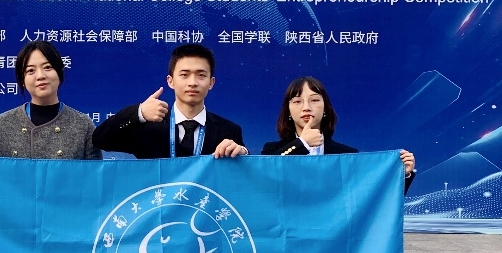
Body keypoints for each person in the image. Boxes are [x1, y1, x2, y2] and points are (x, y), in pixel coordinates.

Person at [261, 76, 416, 193]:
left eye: (314, 100)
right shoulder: (271, 150)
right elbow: (263, 178)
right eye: (297, 101)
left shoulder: (347, 155)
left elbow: (371, 200)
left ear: (325, 109)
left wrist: (403, 175)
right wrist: (302, 144)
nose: (306, 107)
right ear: (288, 111)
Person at [92, 43, 247, 158]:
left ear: (211, 83)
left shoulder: (229, 131)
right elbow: (100, 139)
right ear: (170, 81)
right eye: (184, 75)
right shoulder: (148, 126)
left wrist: (242, 155)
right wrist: (138, 112)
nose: (192, 82)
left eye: (201, 75)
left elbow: (242, 180)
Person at [0, 40, 102, 159]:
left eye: (47, 67)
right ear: (22, 81)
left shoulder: (83, 125)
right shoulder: (1, 125)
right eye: (30, 71)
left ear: (60, 72)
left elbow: (95, 178)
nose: (40, 76)